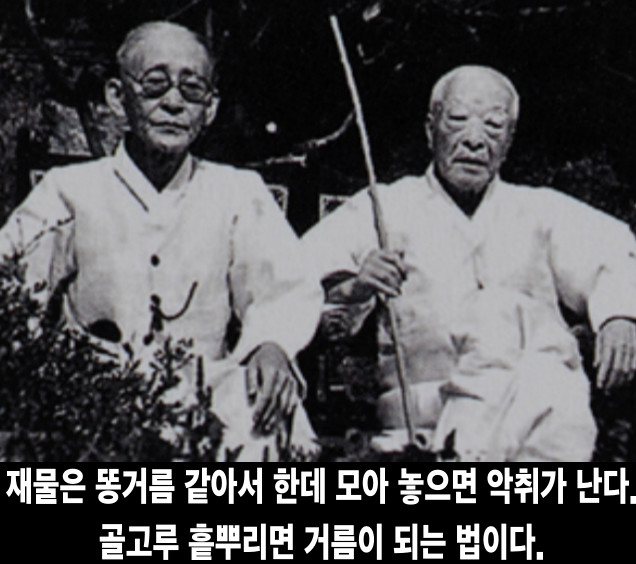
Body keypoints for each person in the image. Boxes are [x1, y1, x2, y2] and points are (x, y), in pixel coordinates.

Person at [0, 21, 322, 460]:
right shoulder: (70, 191)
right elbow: (12, 288)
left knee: (267, 416)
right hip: (96, 400)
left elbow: (284, 287)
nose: (173, 103)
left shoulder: (237, 192)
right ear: (118, 97)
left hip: (207, 394)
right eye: (155, 85)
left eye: (192, 90)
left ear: (210, 109)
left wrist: (273, 344)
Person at [302, 64, 636, 462]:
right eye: (458, 120)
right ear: (431, 129)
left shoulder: (539, 210)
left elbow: (616, 253)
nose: (475, 140)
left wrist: (620, 315)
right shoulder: (387, 206)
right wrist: (355, 285)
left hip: (532, 430)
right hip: (420, 427)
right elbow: (302, 274)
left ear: (509, 139)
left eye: (493, 126)